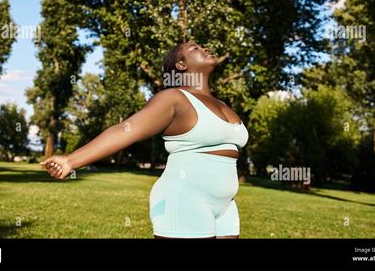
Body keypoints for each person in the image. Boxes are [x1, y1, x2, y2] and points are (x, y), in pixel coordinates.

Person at [41, 41, 249, 239]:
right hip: (186, 198)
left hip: (226, 204)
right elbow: (126, 130)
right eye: (195, 48)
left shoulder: (222, 103)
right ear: (181, 64)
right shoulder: (173, 98)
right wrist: (71, 161)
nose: (204, 48)